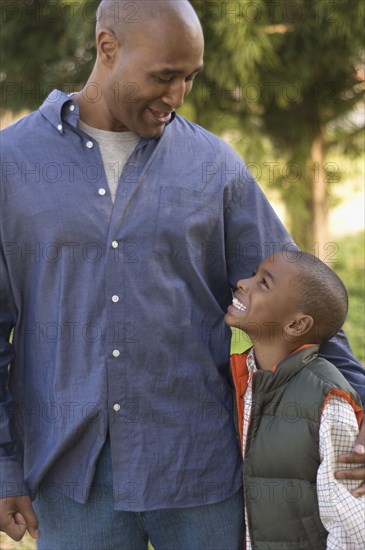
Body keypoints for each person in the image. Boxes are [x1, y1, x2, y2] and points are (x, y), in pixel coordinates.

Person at [0, 1, 364, 548]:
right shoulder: (12, 163)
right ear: (107, 47)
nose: (176, 96)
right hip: (71, 482)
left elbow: (301, 302)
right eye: (164, 76)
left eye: (190, 77)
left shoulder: (214, 167)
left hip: (200, 473)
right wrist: (4, 464)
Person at [225, 251, 365, 549]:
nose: (242, 282)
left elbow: (351, 526)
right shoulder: (248, 378)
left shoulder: (328, 399)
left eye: (264, 283)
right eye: (253, 273)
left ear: (296, 325)